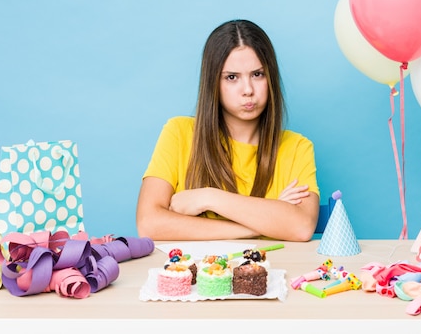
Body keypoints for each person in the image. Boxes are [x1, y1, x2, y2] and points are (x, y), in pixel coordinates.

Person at [136, 19, 319, 242]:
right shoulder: (179, 133)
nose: (248, 90)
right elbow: (149, 224)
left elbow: (301, 227)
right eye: (232, 77)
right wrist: (264, 225)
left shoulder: (297, 147)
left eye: (258, 74)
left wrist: (208, 197)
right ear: (213, 82)